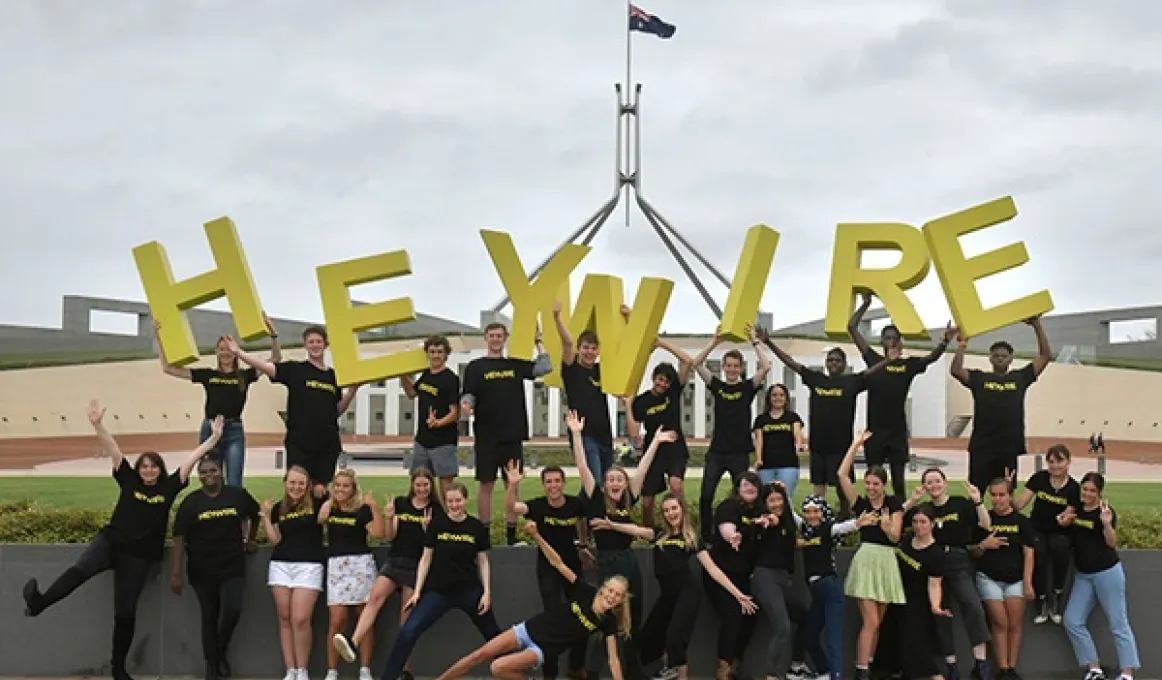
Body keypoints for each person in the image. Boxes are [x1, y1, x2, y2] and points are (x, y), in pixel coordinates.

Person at [22, 401, 218, 680]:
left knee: (125, 612)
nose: (148, 470)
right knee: (79, 571)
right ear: (138, 469)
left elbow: (190, 461)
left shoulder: (169, 487)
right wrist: (97, 425)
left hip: (138, 557)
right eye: (144, 466)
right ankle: (39, 602)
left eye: (153, 466)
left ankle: (118, 669)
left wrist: (213, 439)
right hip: (111, 543)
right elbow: (113, 448)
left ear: (160, 470)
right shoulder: (128, 479)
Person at [433, 520, 632, 680]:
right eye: (611, 590)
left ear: (621, 600)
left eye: (617, 595)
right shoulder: (585, 591)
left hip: (543, 649)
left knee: (497, 668)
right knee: (479, 655)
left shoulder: (608, 622)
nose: (612, 596)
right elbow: (557, 563)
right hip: (528, 629)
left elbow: (613, 660)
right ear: (604, 588)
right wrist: (536, 535)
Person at [568, 409, 670, 680]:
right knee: (606, 619)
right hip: (608, 562)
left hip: (629, 560)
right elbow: (582, 467)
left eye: (620, 479)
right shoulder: (596, 500)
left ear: (625, 484)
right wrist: (577, 435)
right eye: (611, 479)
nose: (615, 483)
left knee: (632, 618)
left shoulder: (627, 498)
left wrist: (655, 442)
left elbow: (643, 469)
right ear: (605, 484)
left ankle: (633, 670)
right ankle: (592, 671)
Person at [376, 483, 501, 680]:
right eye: (450, 501)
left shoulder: (475, 526)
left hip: (469, 591)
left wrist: (487, 592)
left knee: (494, 635)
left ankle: (513, 671)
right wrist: (418, 591)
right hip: (438, 592)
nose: (454, 505)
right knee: (408, 631)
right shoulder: (437, 524)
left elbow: (483, 561)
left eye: (458, 500)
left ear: (465, 500)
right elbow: (425, 559)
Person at [759, 328, 889, 517]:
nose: (834, 363)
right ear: (826, 363)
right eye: (830, 360)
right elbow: (790, 361)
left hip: (841, 446)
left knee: (842, 487)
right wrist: (768, 342)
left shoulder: (852, 381)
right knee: (819, 488)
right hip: (819, 446)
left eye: (838, 360)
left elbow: (872, 371)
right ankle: (818, 519)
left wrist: (888, 360)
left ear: (844, 364)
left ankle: (846, 518)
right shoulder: (816, 379)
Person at [229, 325, 363, 497]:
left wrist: (351, 392)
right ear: (305, 345)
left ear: (326, 344)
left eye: (318, 341)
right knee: (297, 491)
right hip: (300, 443)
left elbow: (336, 411)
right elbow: (266, 366)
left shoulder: (333, 376)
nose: (315, 345)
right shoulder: (295, 370)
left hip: (327, 444)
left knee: (320, 493)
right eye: (311, 342)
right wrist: (239, 352)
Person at [334, 468, 443, 680]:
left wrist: (427, 530)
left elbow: (434, 545)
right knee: (374, 598)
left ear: (431, 486)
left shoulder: (436, 510)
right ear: (412, 485)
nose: (421, 489)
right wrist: (390, 517)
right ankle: (353, 643)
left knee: (406, 620)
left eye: (425, 485)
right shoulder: (401, 503)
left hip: (416, 565)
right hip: (395, 560)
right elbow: (390, 536)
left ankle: (405, 670)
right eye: (418, 485)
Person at [847, 294, 955, 498]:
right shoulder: (874, 360)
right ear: (881, 341)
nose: (891, 342)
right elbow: (852, 327)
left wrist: (945, 341)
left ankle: (901, 515)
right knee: (874, 481)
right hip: (875, 432)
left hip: (897, 432)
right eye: (887, 338)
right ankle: (874, 513)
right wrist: (866, 304)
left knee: (898, 482)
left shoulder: (908, 365)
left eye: (895, 338)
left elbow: (930, 358)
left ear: (901, 342)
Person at [154, 315, 280, 486]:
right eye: (221, 349)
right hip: (210, 429)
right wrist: (159, 337)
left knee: (234, 482)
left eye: (229, 349)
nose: (225, 353)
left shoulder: (245, 375)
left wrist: (273, 334)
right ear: (217, 352)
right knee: (210, 479)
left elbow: (275, 359)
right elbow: (168, 368)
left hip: (234, 431)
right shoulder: (208, 375)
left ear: (235, 352)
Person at [460, 321, 552, 545]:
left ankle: (511, 536)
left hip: (512, 435)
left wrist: (539, 343)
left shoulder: (514, 364)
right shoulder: (475, 367)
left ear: (505, 338)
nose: (495, 339)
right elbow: (469, 394)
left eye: (499, 336)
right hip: (486, 435)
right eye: (491, 335)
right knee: (486, 485)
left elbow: (545, 367)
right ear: (486, 338)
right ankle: (484, 536)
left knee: (512, 485)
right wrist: (466, 404)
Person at [641, 494, 751, 680]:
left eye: (674, 508)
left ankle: (681, 676)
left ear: (682, 510)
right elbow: (636, 530)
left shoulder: (691, 537)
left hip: (687, 592)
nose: (670, 513)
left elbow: (712, 569)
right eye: (666, 510)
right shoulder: (659, 533)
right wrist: (611, 525)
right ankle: (668, 666)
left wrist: (737, 594)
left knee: (675, 637)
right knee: (650, 636)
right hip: (668, 595)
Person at [170, 455, 261, 680]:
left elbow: (255, 513)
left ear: (220, 471)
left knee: (232, 609)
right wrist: (176, 573)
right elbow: (179, 537)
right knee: (209, 616)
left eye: (212, 471)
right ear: (198, 475)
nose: (208, 475)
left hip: (232, 566)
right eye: (203, 472)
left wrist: (250, 539)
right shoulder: (191, 502)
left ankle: (220, 649)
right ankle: (212, 665)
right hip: (202, 569)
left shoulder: (236, 495)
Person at [503, 461, 591, 680]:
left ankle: (576, 667)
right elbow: (512, 508)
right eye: (549, 482)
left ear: (564, 483)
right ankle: (549, 674)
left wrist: (583, 545)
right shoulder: (538, 506)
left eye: (557, 481)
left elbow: (582, 522)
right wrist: (512, 485)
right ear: (544, 485)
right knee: (552, 620)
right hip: (548, 570)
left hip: (571, 568)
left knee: (584, 615)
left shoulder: (575, 504)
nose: (553, 486)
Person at [903, 469, 992, 680]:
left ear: (945, 482)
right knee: (940, 613)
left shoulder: (960, 503)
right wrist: (912, 499)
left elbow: (985, 524)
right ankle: (951, 665)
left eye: (937, 481)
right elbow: (897, 520)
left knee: (972, 606)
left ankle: (980, 663)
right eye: (928, 482)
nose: (933, 485)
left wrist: (978, 502)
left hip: (958, 560)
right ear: (924, 486)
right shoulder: (923, 511)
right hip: (933, 561)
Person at [949, 317, 1052, 492]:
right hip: (982, 446)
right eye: (996, 356)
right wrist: (962, 345)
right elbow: (956, 370)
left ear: (1011, 358)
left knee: (1006, 493)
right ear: (990, 358)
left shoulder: (1020, 377)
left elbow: (1045, 356)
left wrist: (1037, 325)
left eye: (1004, 356)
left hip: (1009, 447)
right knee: (976, 493)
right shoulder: (980, 378)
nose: (1000, 359)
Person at [689, 325, 772, 541]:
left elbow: (766, 366)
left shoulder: (747, 387)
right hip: (717, 452)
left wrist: (754, 341)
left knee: (743, 497)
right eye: (729, 366)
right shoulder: (717, 386)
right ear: (723, 367)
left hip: (739, 452)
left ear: (741, 368)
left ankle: (742, 533)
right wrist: (714, 342)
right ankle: (707, 536)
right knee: (706, 495)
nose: (732, 369)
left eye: (736, 366)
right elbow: (695, 364)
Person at [836, 430, 904, 680]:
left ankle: (868, 664)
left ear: (883, 484)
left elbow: (895, 537)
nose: (871, 488)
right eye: (868, 483)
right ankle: (861, 670)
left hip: (886, 561)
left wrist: (886, 526)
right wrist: (855, 445)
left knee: (878, 622)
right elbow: (842, 475)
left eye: (875, 484)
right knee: (871, 621)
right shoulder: (861, 504)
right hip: (866, 560)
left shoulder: (893, 504)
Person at [1058, 473, 1140, 680]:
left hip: (1107, 573)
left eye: (1092, 490)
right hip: (1083, 575)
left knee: (1118, 623)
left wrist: (1106, 524)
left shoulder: (1105, 511)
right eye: (1085, 489)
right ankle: (1094, 668)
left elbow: (1112, 543)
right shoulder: (1076, 508)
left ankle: (1127, 672)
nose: (1087, 494)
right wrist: (1063, 521)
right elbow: (1066, 527)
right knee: (1072, 620)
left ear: (1099, 492)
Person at [261, 465, 327, 680]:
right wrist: (265, 517)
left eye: (301, 483)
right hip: (281, 565)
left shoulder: (317, 503)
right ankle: (291, 670)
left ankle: (302, 669)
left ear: (308, 485)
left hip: (309, 565)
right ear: (285, 483)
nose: (296, 487)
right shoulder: (279, 508)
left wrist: (326, 491)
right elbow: (275, 540)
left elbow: (331, 508)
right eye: (292, 482)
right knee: (285, 618)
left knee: (301, 618)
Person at [320, 470, 387, 680]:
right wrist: (327, 505)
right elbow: (319, 520)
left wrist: (374, 507)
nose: (341, 489)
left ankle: (365, 669)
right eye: (337, 485)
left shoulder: (362, 510)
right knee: (337, 620)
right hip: (337, 566)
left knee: (363, 617)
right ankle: (332, 671)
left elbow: (379, 533)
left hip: (360, 565)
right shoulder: (330, 507)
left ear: (353, 489)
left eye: (345, 486)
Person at [797, 496, 871, 680]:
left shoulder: (827, 529)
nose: (812, 515)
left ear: (823, 513)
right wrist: (782, 493)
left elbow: (842, 527)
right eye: (807, 511)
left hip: (830, 588)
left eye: (816, 511)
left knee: (833, 638)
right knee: (809, 636)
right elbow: (791, 516)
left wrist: (858, 523)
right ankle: (824, 671)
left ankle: (836, 676)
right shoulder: (804, 529)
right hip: (816, 591)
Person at [970, 478, 1036, 680]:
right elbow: (973, 552)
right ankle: (1003, 668)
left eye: (1002, 495)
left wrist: (1027, 582)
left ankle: (1011, 668)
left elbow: (1029, 553)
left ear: (1010, 496)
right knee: (1000, 622)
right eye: (994, 495)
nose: (997, 499)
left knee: (1015, 624)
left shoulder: (1021, 521)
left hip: (1016, 580)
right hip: (988, 578)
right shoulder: (985, 519)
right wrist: (984, 545)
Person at [553, 299, 620, 498]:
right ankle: (583, 515)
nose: (589, 352)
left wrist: (627, 318)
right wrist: (556, 317)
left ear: (598, 351)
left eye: (593, 348)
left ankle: (583, 513)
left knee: (604, 484)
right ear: (579, 349)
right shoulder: (571, 370)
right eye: (585, 347)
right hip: (584, 434)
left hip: (605, 435)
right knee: (594, 481)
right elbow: (567, 343)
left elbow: (624, 350)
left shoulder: (601, 371)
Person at [625, 337, 695, 527]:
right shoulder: (642, 401)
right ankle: (649, 534)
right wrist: (628, 405)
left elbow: (688, 361)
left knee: (676, 486)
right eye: (660, 379)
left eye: (667, 381)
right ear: (654, 378)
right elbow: (634, 432)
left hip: (675, 447)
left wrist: (661, 343)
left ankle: (684, 528)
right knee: (647, 502)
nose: (663, 384)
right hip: (653, 450)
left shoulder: (673, 392)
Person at [705, 472, 765, 680]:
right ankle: (723, 670)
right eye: (744, 484)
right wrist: (733, 535)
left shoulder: (760, 511)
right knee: (732, 617)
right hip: (720, 574)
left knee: (751, 614)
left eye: (753, 484)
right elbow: (726, 528)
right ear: (737, 488)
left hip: (743, 577)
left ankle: (735, 664)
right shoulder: (729, 506)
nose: (749, 487)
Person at [750, 482, 813, 680]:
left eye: (779, 499)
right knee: (782, 627)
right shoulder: (765, 521)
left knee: (804, 615)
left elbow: (797, 529)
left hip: (783, 578)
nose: (777, 504)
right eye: (772, 500)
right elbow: (763, 524)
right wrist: (767, 522)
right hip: (765, 577)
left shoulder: (788, 522)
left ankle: (796, 664)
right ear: (765, 503)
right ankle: (772, 675)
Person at [1013, 443, 1079, 625]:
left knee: (1060, 549)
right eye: (1051, 462)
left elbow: (1069, 514)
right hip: (1037, 528)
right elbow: (1020, 505)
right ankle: (1041, 600)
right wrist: (1009, 491)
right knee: (1038, 553)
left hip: (1059, 531)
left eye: (1059, 461)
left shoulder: (1074, 487)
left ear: (1068, 462)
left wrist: (1065, 520)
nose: (1055, 466)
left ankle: (1056, 595)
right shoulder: (1039, 479)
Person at [892, 503, 953, 680]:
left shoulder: (936, 554)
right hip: (897, 598)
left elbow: (934, 584)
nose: (919, 526)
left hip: (918, 604)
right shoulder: (906, 540)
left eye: (923, 522)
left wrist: (935, 606)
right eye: (915, 522)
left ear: (932, 524)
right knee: (901, 647)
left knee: (916, 644)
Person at [400, 335, 461, 492]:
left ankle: (447, 510)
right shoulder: (426, 374)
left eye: (439, 352)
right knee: (419, 484)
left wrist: (438, 423)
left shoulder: (450, 379)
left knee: (446, 487)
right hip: (422, 440)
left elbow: (455, 413)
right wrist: (403, 375)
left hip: (443, 442)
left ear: (446, 354)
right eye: (432, 352)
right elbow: (411, 393)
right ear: (427, 353)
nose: (435, 355)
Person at [752, 383, 806, 497]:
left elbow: (797, 433)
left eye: (781, 395)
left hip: (788, 464)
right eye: (774, 395)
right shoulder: (761, 419)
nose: (778, 398)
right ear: (769, 398)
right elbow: (759, 441)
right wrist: (758, 459)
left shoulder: (792, 417)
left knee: (785, 497)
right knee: (767, 497)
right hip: (766, 465)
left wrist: (799, 444)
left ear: (786, 398)